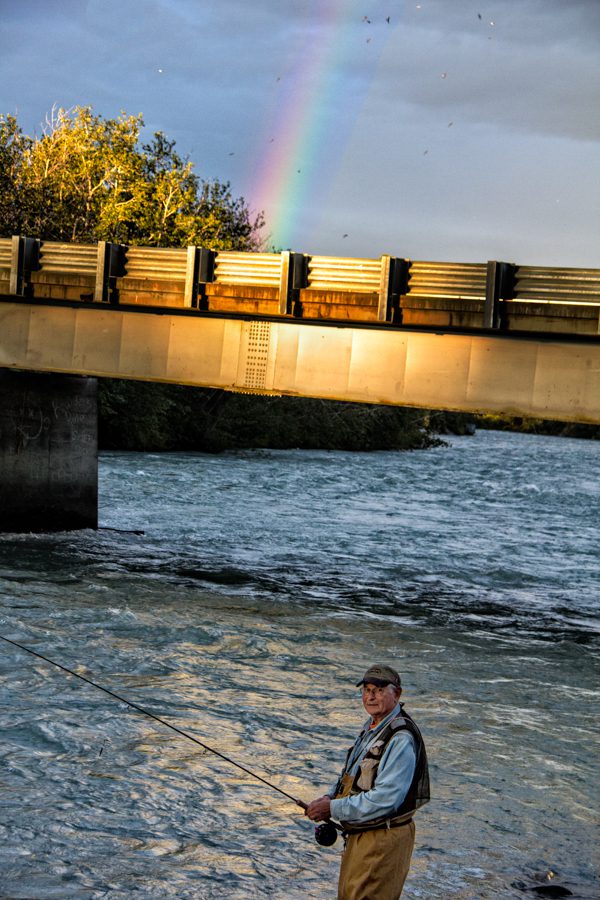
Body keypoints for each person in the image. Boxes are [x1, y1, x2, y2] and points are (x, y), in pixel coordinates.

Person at [305, 664, 429, 900]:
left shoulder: (400, 739)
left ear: (397, 694)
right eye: (367, 689)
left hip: (383, 839)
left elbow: (386, 800)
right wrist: (329, 797)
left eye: (380, 690)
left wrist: (332, 808)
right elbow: (350, 775)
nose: (371, 696)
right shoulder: (373, 728)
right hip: (362, 835)